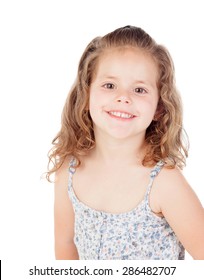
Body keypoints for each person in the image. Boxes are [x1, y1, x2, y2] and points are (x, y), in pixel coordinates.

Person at [46, 26, 204, 260]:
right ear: (87, 94)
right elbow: (65, 244)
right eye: (109, 85)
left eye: (139, 89)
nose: (123, 97)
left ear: (159, 108)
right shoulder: (69, 169)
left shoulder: (164, 183)